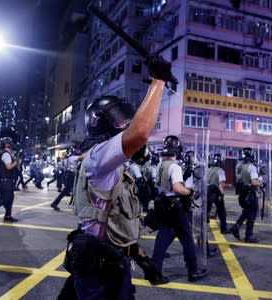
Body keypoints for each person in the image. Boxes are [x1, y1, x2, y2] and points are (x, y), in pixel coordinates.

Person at [68, 55, 171, 299]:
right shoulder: (99, 155)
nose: (124, 124)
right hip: (100, 268)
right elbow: (141, 133)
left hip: (107, 260)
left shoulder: (110, 163)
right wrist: (158, 82)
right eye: (118, 118)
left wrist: (142, 260)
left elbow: (114, 220)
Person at [151, 135, 208, 282]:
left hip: (162, 206)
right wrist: (190, 192)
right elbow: (177, 188)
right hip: (175, 207)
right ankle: (193, 271)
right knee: (187, 238)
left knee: (162, 239)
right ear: (178, 150)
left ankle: (154, 271)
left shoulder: (160, 165)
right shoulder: (175, 166)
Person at [229, 147, 262, 243]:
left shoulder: (239, 166)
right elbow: (254, 182)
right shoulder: (252, 167)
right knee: (252, 215)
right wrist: (261, 183)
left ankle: (236, 227)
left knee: (246, 212)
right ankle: (249, 235)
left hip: (242, 195)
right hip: (250, 195)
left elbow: (239, 178)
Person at [50, 146, 80, 211]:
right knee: (74, 190)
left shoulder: (67, 159)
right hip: (71, 176)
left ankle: (55, 203)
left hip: (68, 175)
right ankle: (54, 203)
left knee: (68, 191)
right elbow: (82, 157)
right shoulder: (73, 158)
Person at [207, 153, 228, 234]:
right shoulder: (220, 171)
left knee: (206, 209)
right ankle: (223, 229)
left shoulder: (209, 170)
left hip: (208, 191)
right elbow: (221, 184)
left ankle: (203, 224)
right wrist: (221, 195)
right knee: (221, 211)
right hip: (216, 192)